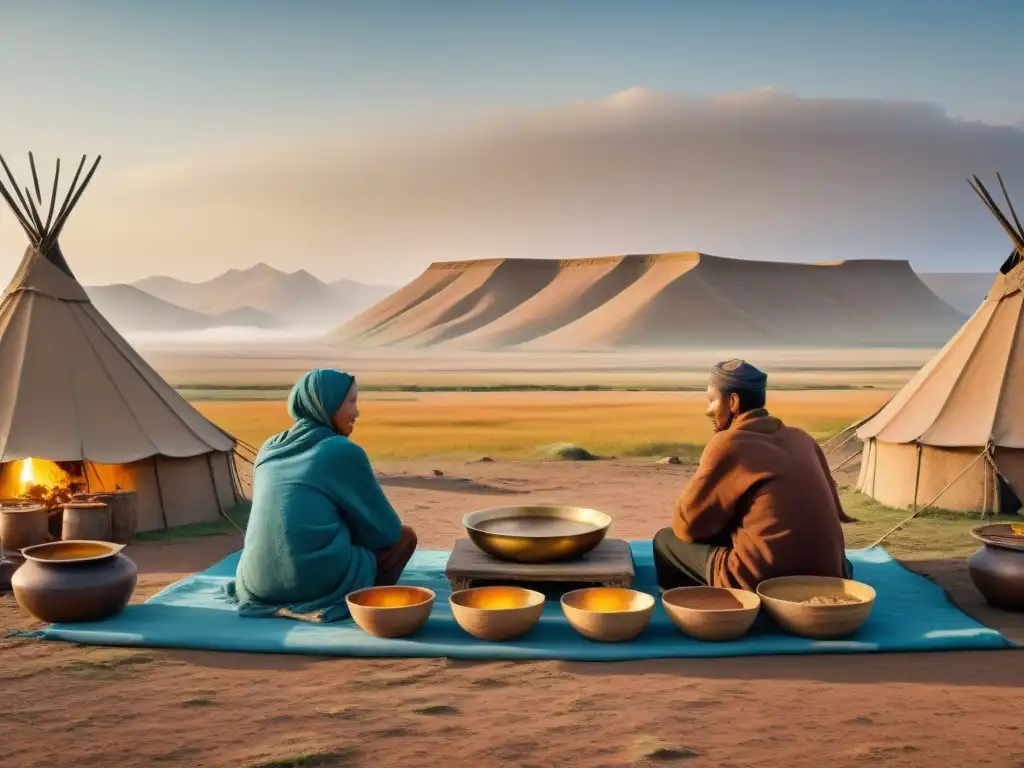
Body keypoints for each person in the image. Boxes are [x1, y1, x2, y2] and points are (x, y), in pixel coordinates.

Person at [226, 368, 417, 622]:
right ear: (327, 404)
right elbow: (387, 531)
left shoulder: (268, 447)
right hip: (310, 583)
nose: (357, 411)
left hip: (256, 583)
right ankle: (362, 602)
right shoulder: (341, 451)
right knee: (405, 538)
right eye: (351, 402)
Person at [653, 359, 853, 592]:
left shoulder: (729, 443)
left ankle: (696, 602)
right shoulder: (802, 439)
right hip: (832, 573)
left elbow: (687, 527)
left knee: (665, 541)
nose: (708, 410)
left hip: (762, 581)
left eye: (711, 400)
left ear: (734, 402)